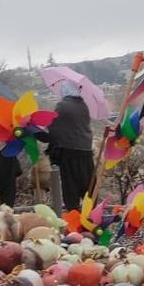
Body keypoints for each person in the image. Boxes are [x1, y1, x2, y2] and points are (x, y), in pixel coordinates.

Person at [41, 81, 94, 211]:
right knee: (88, 188)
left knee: (71, 188)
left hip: (69, 153)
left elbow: (53, 127)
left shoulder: (62, 105)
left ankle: (73, 216)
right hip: (86, 151)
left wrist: (38, 131)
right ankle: (91, 217)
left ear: (65, 91)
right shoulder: (83, 105)